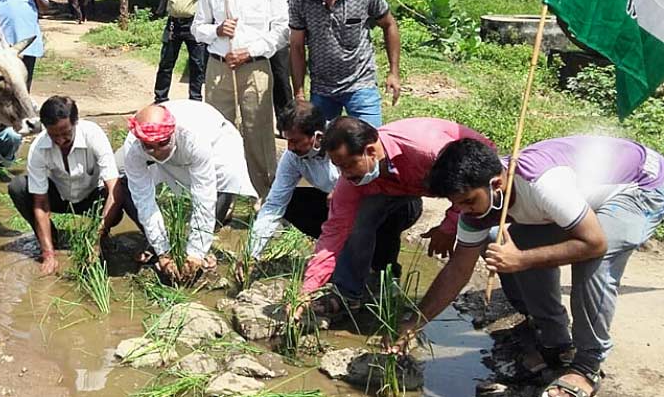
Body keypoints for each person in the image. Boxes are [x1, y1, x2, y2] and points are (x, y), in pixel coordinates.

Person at [392, 137, 664, 397]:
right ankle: (556, 344)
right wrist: (414, 323)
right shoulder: (476, 208)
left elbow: (595, 243)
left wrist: (521, 260)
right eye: (455, 204)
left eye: (467, 201)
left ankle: (587, 365)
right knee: (519, 241)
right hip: (581, 194)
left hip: (641, 184)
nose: (462, 210)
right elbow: (458, 270)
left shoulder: (543, 185)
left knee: (591, 261)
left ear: (496, 183)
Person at [299, 116, 493, 313]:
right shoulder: (351, 182)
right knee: (357, 220)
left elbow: (472, 181)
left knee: (490, 233)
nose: (345, 174)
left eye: (348, 165)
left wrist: (448, 227)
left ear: (370, 151)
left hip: (471, 178)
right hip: (399, 189)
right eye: (338, 167)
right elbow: (334, 231)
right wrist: (306, 290)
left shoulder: (427, 150)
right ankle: (348, 294)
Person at [191, 0, 289, 199]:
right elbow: (198, 29)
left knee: (258, 134)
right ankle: (224, 196)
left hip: (255, 68)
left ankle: (265, 196)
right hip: (219, 70)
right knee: (220, 135)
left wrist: (251, 50)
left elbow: (282, 29)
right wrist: (217, 30)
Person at [108, 100, 257, 283]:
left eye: (162, 143)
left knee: (221, 184)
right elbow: (143, 199)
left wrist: (195, 252)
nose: (156, 151)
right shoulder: (135, 147)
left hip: (215, 141)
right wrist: (163, 251)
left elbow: (204, 196)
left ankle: (213, 228)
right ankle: (159, 239)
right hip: (178, 150)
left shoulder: (194, 139)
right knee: (119, 173)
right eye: (149, 146)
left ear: (171, 133)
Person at [290, 0, 401, 127]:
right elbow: (296, 47)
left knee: (368, 145)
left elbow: (389, 25)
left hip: (360, 85)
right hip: (322, 90)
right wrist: (299, 94)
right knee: (322, 148)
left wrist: (394, 72)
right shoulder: (300, 0)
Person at [8, 96, 120, 275]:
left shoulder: (93, 134)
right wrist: (48, 254)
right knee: (18, 186)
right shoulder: (38, 148)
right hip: (60, 197)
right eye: (54, 135)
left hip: (93, 199)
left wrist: (96, 238)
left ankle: (102, 234)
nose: (60, 140)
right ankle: (50, 239)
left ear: (75, 122)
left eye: (65, 133)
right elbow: (41, 203)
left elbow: (114, 188)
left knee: (121, 191)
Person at [247, 101, 339, 258]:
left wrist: (343, 192)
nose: (289, 147)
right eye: (287, 140)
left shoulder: (343, 141)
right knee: (292, 201)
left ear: (318, 136)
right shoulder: (292, 157)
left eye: (295, 141)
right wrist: (251, 253)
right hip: (332, 205)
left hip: (367, 205)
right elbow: (274, 204)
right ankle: (333, 248)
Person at [126, 0, 212, 104]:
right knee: (166, 63)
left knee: (197, 65)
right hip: (174, 24)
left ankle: (195, 100)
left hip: (195, 24)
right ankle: (160, 99)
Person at [250, 0, 306, 131]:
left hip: (279, 29)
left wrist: (293, 10)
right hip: (254, 30)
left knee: (281, 78)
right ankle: (256, 124)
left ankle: (286, 125)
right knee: (255, 76)